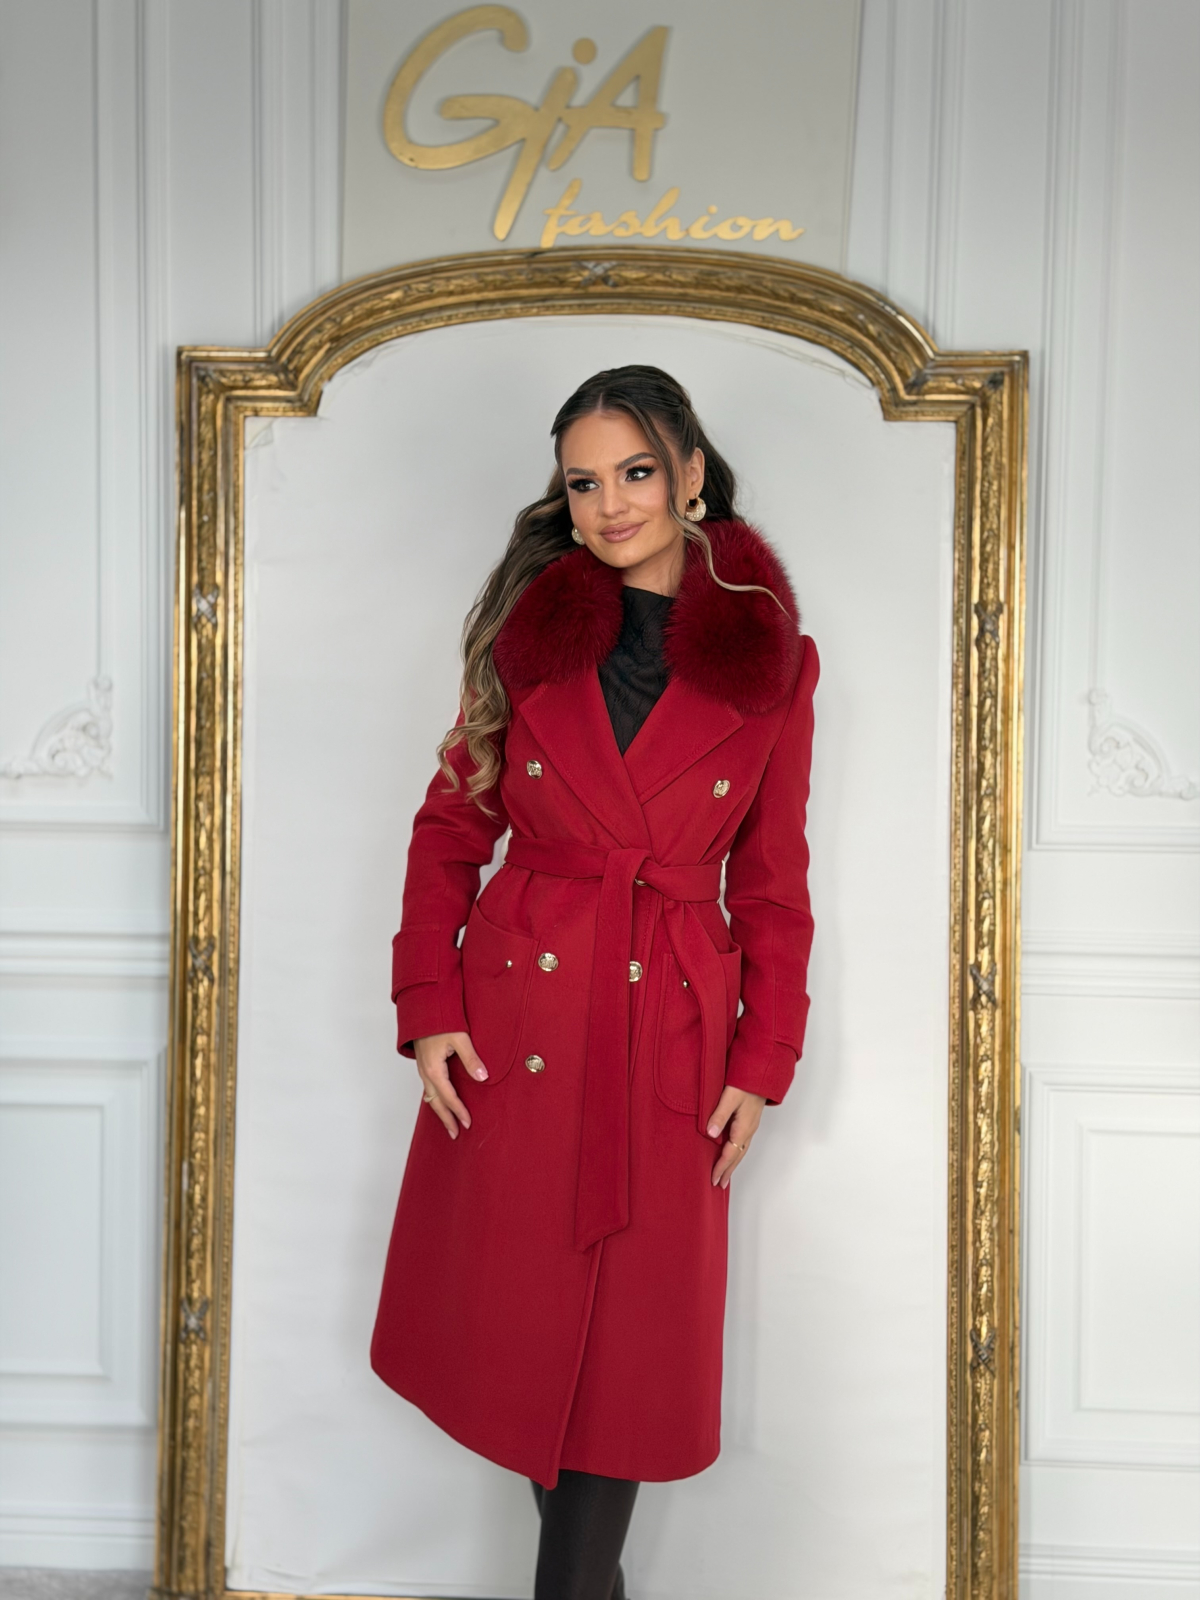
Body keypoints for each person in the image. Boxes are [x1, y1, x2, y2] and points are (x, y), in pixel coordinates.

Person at [371, 365, 819, 1599]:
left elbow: (773, 884)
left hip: (669, 1028)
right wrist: (428, 1008)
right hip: (517, 1025)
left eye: (636, 472)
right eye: (583, 482)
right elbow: (449, 829)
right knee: (528, 1340)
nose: (611, 504)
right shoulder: (528, 635)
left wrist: (763, 1059)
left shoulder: (776, 662)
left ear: (690, 474)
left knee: (621, 1360)